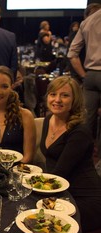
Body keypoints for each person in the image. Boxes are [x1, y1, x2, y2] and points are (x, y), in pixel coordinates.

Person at [40, 76, 101, 233]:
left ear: (74, 100)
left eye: (65, 95)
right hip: (61, 193)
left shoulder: (80, 131)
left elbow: (59, 175)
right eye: (53, 94)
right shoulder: (49, 120)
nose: (57, 100)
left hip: (86, 200)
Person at [67, 3, 101, 157]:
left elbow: (72, 54)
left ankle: (82, 157)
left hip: (90, 76)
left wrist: (84, 75)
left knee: (86, 120)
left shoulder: (86, 22)